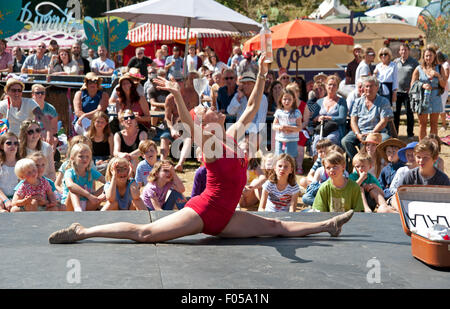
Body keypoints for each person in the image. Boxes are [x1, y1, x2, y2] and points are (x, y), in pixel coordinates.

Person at [48, 54, 355, 245]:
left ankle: (328, 225)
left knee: (275, 226)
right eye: (207, 109)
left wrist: (262, 73)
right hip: (203, 212)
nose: (213, 107)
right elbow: (185, 119)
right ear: (205, 123)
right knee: (145, 235)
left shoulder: (233, 132)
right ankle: (83, 231)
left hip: (228, 218)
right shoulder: (210, 146)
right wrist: (177, 94)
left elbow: (251, 105)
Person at [389, 138, 450, 213]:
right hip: (412, 212)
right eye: (418, 157)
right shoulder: (410, 176)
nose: (421, 161)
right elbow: (396, 197)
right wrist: (402, 211)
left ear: (435, 158)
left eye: (425, 157)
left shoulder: (442, 179)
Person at [341, 76, 393, 160]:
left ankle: (378, 162)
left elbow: (384, 121)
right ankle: (359, 161)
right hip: (360, 131)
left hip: (377, 132)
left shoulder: (383, 101)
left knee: (385, 139)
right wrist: (358, 134)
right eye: (366, 86)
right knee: (345, 141)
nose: (368, 89)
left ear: (377, 87)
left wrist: (372, 133)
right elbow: (353, 120)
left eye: (371, 86)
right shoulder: (357, 102)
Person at [160, 72, 199, 171]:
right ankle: (162, 162)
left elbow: (197, 113)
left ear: (185, 81)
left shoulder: (193, 95)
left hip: (189, 127)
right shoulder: (170, 98)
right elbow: (167, 118)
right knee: (164, 137)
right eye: (176, 80)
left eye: (180, 80)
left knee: (188, 138)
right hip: (175, 126)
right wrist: (172, 129)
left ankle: (180, 164)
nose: (178, 83)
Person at [410, 46, 447, 140]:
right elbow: (412, 84)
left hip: (435, 96)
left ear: (435, 56)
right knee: (422, 124)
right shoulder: (418, 68)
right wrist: (422, 85)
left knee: (434, 124)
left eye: (430, 55)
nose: (428, 58)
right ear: (423, 57)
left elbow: (443, 85)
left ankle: (432, 146)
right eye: (426, 56)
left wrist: (438, 75)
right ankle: (422, 146)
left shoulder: (439, 67)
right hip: (422, 98)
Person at [62, 143, 106, 211]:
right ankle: (78, 209)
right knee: (73, 189)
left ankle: (101, 204)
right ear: (72, 158)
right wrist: (89, 195)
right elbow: (70, 185)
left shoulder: (91, 172)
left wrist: (103, 195)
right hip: (70, 205)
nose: (84, 159)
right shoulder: (69, 172)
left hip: (88, 203)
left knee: (107, 186)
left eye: (87, 156)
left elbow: (107, 181)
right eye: (81, 156)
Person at [311, 75, 348, 155]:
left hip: (335, 129)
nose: (331, 87)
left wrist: (328, 118)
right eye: (329, 84)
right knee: (317, 142)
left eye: (334, 85)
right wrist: (317, 118)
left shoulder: (342, 102)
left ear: (337, 87)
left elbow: (342, 119)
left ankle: (331, 162)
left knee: (330, 140)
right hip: (321, 129)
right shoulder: (319, 102)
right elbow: (313, 117)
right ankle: (316, 164)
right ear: (326, 86)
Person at [227, 71, 268, 140]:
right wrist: (238, 98)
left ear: (255, 85)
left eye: (249, 83)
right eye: (244, 83)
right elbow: (230, 111)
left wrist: (250, 134)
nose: (246, 86)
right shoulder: (238, 96)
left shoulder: (262, 97)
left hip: (256, 133)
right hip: (240, 132)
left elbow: (261, 120)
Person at [393, 43, 418, 138]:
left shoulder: (414, 62)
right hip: (397, 93)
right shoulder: (395, 62)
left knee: (409, 114)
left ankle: (410, 134)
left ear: (409, 51)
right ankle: (395, 134)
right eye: (402, 50)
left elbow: (418, 75)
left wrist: (412, 87)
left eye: (405, 50)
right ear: (399, 51)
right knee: (396, 114)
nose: (403, 51)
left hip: (408, 93)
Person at [272, 89, 302, 159]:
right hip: (280, 139)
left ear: (293, 100)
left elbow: (299, 127)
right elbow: (274, 125)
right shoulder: (279, 112)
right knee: (279, 157)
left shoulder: (296, 112)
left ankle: (290, 169)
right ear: (281, 100)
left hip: (292, 140)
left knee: (290, 158)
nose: (287, 101)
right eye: (285, 99)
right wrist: (280, 127)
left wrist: (289, 128)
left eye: (289, 99)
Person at [30, 84, 59, 150]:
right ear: (33, 94)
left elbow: (54, 129)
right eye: (37, 93)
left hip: (45, 132)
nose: (40, 95)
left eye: (42, 93)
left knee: (54, 141)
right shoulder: (28, 106)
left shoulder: (51, 109)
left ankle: (50, 159)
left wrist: (49, 136)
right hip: (31, 132)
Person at [0, 133, 20, 212]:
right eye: (9, 143)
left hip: (16, 197)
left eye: (16, 143)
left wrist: (14, 200)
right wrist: (5, 200)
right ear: (1, 146)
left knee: (15, 210)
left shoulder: (21, 164)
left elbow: (22, 185)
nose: (13, 146)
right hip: (2, 196)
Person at [437, 51, 449, 131]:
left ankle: (444, 125)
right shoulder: (439, 65)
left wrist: (439, 79)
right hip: (440, 88)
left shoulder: (445, 65)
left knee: (442, 108)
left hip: (444, 88)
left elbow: (446, 76)